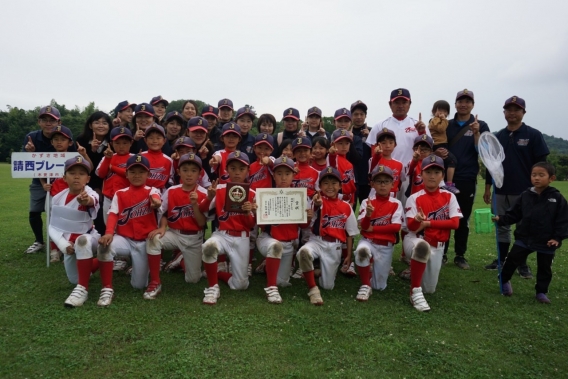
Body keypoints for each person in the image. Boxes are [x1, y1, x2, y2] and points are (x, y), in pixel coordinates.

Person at [484, 96, 550, 279]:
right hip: (500, 190)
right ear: (504, 112)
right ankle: (501, 259)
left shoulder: (533, 134)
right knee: (501, 225)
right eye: (508, 109)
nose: (512, 113)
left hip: (525, 191)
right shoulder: (498, 137)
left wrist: (539, 188)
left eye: (516, 109)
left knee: (524, 227)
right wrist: (488, 187)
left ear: (523, 112)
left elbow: (542, 164)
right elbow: (491, 164)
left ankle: (522, 263)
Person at [496, 162, 568, 304]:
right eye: (534, 175)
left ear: (551, 178)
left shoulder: (557, 198)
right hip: (525, 238)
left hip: (547, 241)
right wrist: (501, 219)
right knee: (511, 260)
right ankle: (504, 281)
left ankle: (541, 292)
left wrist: (557, 238)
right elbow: (514, 214)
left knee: (544, 268)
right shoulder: (525, 195)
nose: (536, 178)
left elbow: (563, 220)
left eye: (541, 175)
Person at [97, 154, 162, 306]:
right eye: (132, 172)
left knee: (138, 285)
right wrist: (108, 233)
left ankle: (138, 270)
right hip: (125, 240)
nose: (137, 175)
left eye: (141, 172)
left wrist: (156, 203)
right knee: (104, 246)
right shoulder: (120, 193)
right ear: (126, 174)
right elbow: (113, 214)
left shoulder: (153, 190)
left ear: (148, 174)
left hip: (145, 243)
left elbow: (156, 200)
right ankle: (107, 288)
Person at [146, 154, 214, 291]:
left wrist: (195, 205)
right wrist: (162, 227)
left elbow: (201, 223)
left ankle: (181, 260)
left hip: (195, 237)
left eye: (193, 171)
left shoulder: (204, 193)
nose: (189, 174)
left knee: (193, 280)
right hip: (175, 234)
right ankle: (154, 281)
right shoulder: (171, 191)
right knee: (153, 240)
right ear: (178, 172)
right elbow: (164, 212)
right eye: (185, 170)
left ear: (200, 173)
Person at [403, 155, 462, 312]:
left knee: (429, 289)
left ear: (442, 176)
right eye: (428, 172)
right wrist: (416, 220)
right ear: (421, 174)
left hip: (438, 246)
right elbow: (411, 226)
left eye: (436, 172)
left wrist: (428, 223)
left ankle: (415, 272)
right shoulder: (414, 198)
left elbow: (455, 223)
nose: (432, 176)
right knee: (421, 247)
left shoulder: (449, 196)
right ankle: (414, 292)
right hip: (416, 239)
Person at [440, 89, 490, 269]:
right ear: (455, 104)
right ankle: (442, 252)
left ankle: (460, 255)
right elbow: (438, 143)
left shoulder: (481, 125)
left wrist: (476, 133)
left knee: (463, 218)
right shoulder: (448, 124)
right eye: (460, 101)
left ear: (473, 105)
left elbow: (482, 152)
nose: (464, 104)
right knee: (443, 216)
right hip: (445, 178)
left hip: (467, 177)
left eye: (468, 101)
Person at [296, 167, 359, 305]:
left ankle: (318, 271)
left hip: (335, 245)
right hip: (317, 241)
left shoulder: (346, 206)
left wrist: (348, 254)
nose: (330, 186)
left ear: (340, 186)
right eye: (326, 183)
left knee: (328, 286)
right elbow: (307, 225)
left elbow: (350, 233)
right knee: (304, 253)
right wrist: (316, 207)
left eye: (333, 183)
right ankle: (313, 289)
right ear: (320, 186)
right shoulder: (315, 201)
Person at [201, 151, 257, 305]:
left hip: (242, 237)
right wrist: (209, 197)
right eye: (233, 168)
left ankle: (219, 273)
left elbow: (252, 225)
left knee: (240, 285)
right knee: (209, 246)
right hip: (222, 235)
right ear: (227, 170)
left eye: (241, 168)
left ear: (248, 171)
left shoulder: (252, 194)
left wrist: (248, 213)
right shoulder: (218, 189)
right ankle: (213, 287)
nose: (237, 172)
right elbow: (203, 209)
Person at [256, 156, 312, 303]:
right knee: (275, 247)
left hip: (289, 245)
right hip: (268, 239)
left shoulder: (300, 196)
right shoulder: (265, 195)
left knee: (283, 282)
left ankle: (267, 265)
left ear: (293, 175)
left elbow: (304, 227)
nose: (283, 177)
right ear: (273, 175)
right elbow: (260, 226)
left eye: (287, 174)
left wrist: (309, 217)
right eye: (279, 173)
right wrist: (257, 212)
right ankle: (271, 288)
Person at [50, 156, 101, 308]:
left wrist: (86, 201)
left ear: (88, 178)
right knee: (74, 279)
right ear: (64, 177)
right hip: (69, 244)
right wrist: (63, 245)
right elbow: (52, 226)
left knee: (82, 242)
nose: (77, 176)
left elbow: (92, 200)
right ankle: (102, 260)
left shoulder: (90, 193)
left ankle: (82, 289)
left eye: (81, 173)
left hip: (90, 238)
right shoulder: (58, 198)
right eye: (72, 173)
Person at [354, 165, 403, 301]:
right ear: (372, 184)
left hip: (385, 245)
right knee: (361, 251)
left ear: (392, 184)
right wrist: (368, 215)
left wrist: (373, 228)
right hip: (368, 242)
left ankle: (371, 268)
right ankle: (365, 285)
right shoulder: (366, 202)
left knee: (380, 286)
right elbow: (364, 227)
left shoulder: (396, 203)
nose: (382, 185)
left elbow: (396, 227)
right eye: (379, 181)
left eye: (386, 181)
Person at [23, 106, 62, 254]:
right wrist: (29, 152)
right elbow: (25, 163)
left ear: (59, 122)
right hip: (39, 181)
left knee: (59, 212)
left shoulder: (63, 135)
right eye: (44, 120)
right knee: (34, 211)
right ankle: (39, 241)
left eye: (52, 120)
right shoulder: (31, 137)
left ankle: (59, 242)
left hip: (61, 182)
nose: (48, 123)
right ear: (39, 122)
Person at [367, 89, 429, 168]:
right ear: (390, 104)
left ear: (410, 104)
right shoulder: (379, 125)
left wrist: (422, 132)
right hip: (386, 174)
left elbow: (428, 151)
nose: (400, 106)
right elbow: (373, 153)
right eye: (396, 103)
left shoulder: (419, 125)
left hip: (413, 173)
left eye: (404, 102)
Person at [76, 111, 113, 234]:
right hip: (87, 182)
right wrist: (91, 150)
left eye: (104, 123)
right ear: (90, 125)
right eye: (97, 122)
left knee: (105, 213)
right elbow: (83, 166)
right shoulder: (81, 141)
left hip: (108, 183)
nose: (101, 126)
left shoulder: (113, 142)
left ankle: (103, 236)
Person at [427, 100, 459, 194]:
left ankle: (443, 183)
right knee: (452, 161)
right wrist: (444, 119)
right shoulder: (434, 120)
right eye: (439, 110)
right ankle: (448, 184)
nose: (442, 113)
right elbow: (441, 129)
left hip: (442, 144)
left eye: (445, 111)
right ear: (433, 112)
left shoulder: (440, 120)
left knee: (443, 164)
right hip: (438, 145)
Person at [368, 128, 404, 198]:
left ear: (395, 145)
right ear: (377, 145)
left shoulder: (399, 164)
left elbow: (400, 182)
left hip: (392, 198)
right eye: (383, 143)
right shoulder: (373, 160)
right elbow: (371, 169)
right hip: (375, 196)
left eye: (391, 143)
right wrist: (377, 155)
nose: (387, 146)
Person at [350, 100, 372, 206]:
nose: (359, 117)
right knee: (350, 210)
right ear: (351, 116)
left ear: (365, 116)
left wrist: (370, 137)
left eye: (361, 114)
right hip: (351, 178)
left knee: (367, 210)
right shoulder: (346, 133)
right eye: (356, 114)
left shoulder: (372, 132)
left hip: (367, 179)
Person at [140, 124, 174, 192]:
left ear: (164, 141)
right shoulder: (140, 157)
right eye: (151, 138)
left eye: (158, 138)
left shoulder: (169, 160)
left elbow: (170, 182)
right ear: (145, 140)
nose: (155, 141)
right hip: (142, 191)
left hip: (161, 193)